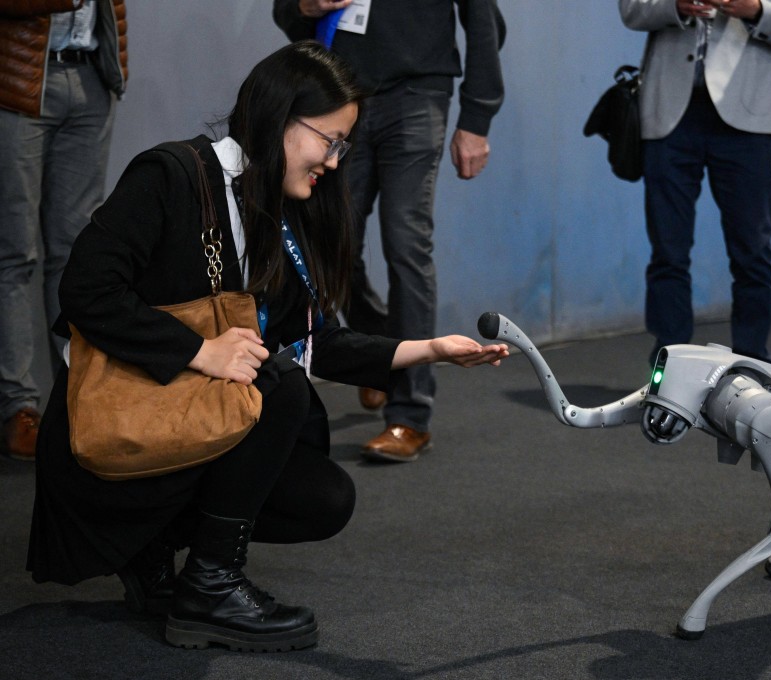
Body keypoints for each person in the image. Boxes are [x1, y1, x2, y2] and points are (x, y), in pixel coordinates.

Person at [26, 41, 509, 653]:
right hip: (105, 436)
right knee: (273, 385)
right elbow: (86, 291)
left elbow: (318, 341)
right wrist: (201, 352)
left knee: (324, 498)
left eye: (343, 146)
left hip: (177, 426)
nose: (335, 161)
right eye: (328, 140)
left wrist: (431, 349)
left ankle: (154, 552)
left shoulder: (277, 215)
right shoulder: (172, 175)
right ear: (279, 117)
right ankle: (210, 586)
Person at [273, 0, 506, 463]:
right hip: (338, 95)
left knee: (406, 245)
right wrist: (304, 7)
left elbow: (484, 19)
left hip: (418, 93)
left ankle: (410, 415)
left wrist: (477, 118)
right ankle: (380, 351)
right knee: (332, 249)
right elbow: (287, 11)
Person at [619, 0, 771, 367]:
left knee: (752, 249)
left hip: (746, 118)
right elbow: (631, 9)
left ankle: (753, 363)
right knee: (668, 249)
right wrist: (675, 6)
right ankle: (670, 361)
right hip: (670, 113)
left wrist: (752, 8)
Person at [0, 0, 127, 461]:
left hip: (92, 74)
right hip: (17, 84)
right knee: (15, 255)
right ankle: (18, 408)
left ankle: (79, 395)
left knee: (76, 253)